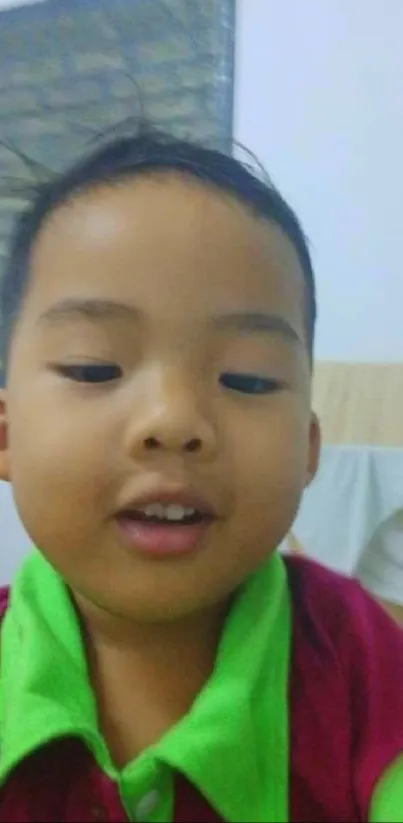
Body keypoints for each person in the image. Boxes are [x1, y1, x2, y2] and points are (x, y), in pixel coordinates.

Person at [0, 124, 401, 823]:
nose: (174, 419)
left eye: (245, 378)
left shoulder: (358, 657)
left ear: (308, 450)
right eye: (96, 368)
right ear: (6, 434)